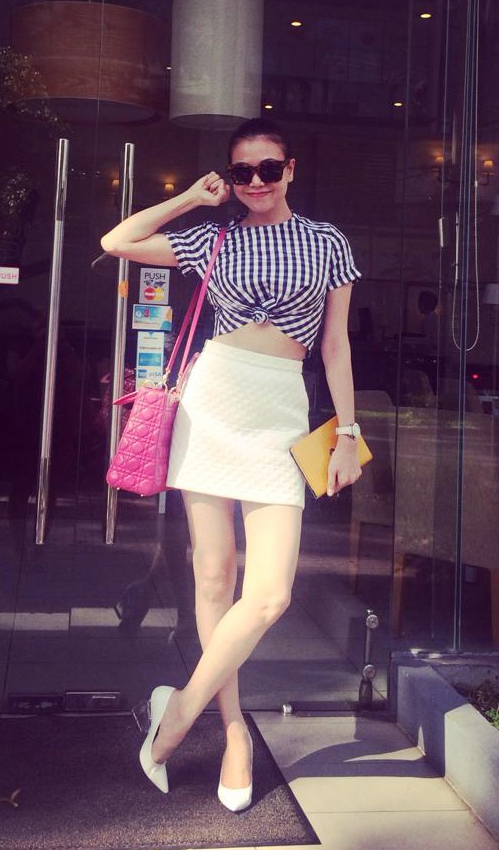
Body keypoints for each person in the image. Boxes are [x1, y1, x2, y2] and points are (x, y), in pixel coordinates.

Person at [100, 117, 362, 811]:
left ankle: (175, 714)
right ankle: (235, 732)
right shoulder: (213, 236)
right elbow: (116, 241)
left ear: (291, 169)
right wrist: (193, 196)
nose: (255, 183)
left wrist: (347, 432)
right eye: (242, 172)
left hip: (280, 413)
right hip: (212, 407)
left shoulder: (328, 242)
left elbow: (335, 346)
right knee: (213, 577)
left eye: (268, 169)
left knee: (270, 594)